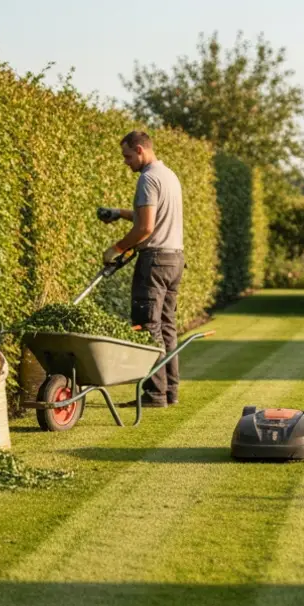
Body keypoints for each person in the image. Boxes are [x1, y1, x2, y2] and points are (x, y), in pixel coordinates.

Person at [101, 130, 185, 408]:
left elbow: (146, 228)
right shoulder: (169, 175)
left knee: (147, 325)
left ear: (140, 150)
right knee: (167, 327)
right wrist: (119, 213)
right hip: (174, 258)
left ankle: (154, 394)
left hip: (155, 262)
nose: (126, 162)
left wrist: (117, 248)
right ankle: (169, 392)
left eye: (127, 156)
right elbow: (153, 218)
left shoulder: (147, 178)